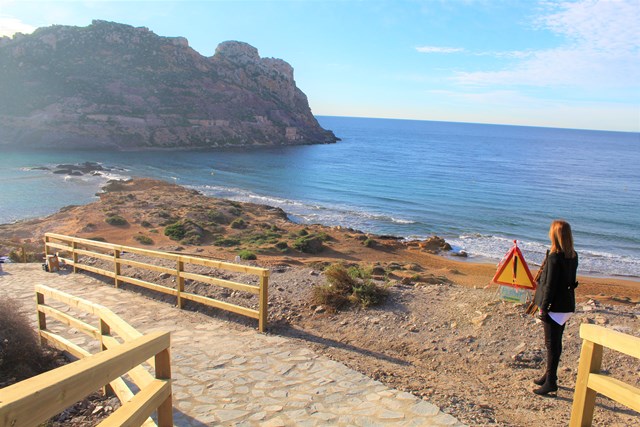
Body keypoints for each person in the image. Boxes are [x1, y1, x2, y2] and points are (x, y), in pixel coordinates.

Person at [532, 220, 579, 396]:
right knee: (555, 342)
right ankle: (548, 375)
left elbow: (550, 285)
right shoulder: (572, 255)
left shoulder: (554, 257)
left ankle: (551, 382)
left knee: (551, 344)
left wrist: (543, 308)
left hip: (554, 307)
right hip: (566, 305)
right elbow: (570, 281)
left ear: (555, 235)